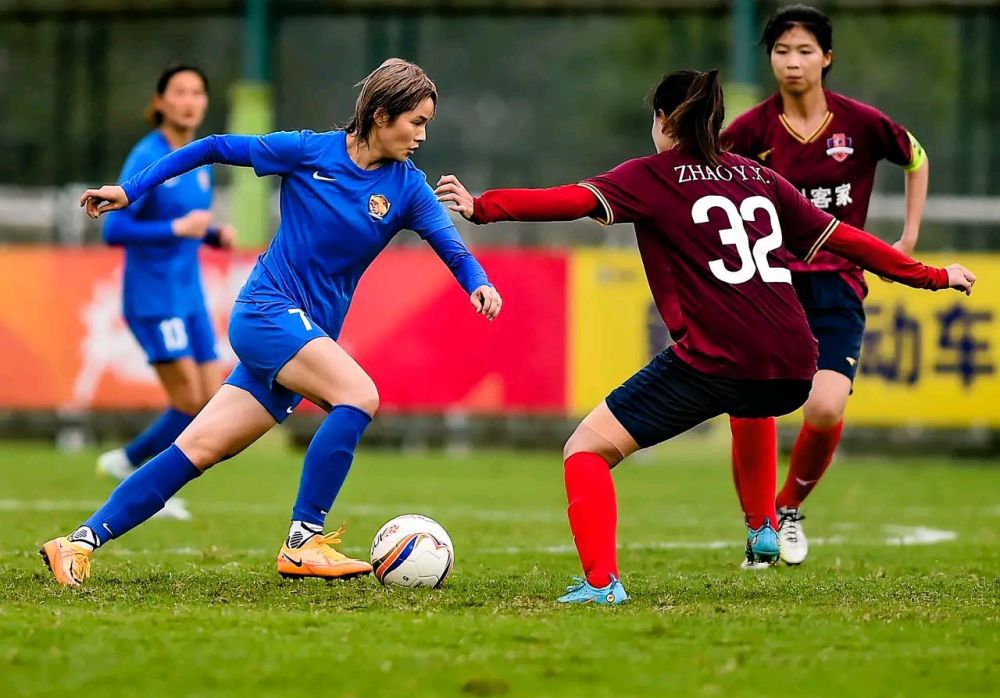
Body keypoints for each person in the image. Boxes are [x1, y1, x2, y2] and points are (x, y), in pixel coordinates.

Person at [435, 69, 972, 604]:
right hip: (793, 364)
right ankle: (762, 526)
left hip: (715, 362)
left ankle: (602, 585)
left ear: (664, 120)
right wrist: (930, 275)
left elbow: (570, 200)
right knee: (751, 395)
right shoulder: (760, 177)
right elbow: (848, 240)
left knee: (586, 451)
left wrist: (482, 207)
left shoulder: (651, 176)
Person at [40, 59, 502, 587]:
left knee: (196, 450)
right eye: (416, 122)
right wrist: (130, 190)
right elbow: (213, 146)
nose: (422, 135)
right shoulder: (309, 151)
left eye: (427, 124)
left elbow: (453, 248)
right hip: (266, 312)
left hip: (302, 335)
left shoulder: (409, 189)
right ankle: (304, 539)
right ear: (380, 115)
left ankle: (76, 543)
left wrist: (478, 283)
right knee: (360, 395)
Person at [722, 4, 931, 565]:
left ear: (827, 57)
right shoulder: (750, 131)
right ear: (769, 58)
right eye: (782, 51)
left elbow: (915, 156)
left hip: (838, 284)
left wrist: (907, 236)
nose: (793, 62)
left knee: (824, 408)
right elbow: (708, 185)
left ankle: (788, 507)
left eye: (805, 50)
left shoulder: (859, 123)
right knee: (749, 403)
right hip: (770, 285)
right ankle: (758, 527)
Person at [97, 65, 237, 521]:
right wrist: (177, 227)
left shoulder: (196, 160)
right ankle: (138, 478)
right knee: (189, 402)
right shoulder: (147, 155)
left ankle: (129, 463)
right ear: (160, 102)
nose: (190, 101)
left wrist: (211, 235)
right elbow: (113, 227)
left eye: (197, 92)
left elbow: (187, 225)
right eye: (179, 92)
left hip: (189, 295)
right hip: (154, 297)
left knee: (207, 399)